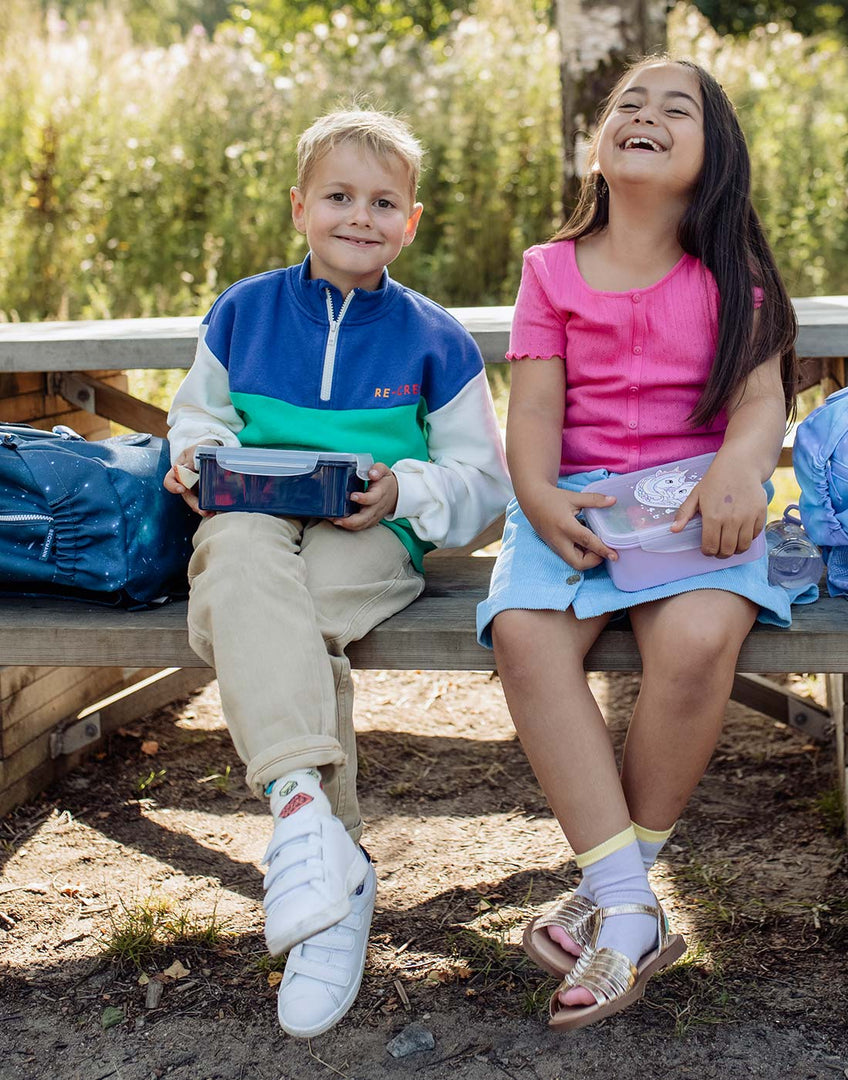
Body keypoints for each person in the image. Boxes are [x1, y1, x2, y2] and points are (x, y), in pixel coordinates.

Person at [476, 57, 812, 1031]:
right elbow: (533, 412)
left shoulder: (735, 278)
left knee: (700, 638)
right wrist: (538, 497)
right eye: (629, 102)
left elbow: (760, 404)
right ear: (599, 143)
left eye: (676, 109)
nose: (646, 114)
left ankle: (615, 893)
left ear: (715, 158)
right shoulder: (549, 270)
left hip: (697, 503)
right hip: (575, 505)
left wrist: (739, 470)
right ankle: (629, 906)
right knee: (523, 635)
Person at [164, 107, 511, 1038]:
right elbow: (198, 417)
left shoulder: (436, 338)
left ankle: (315, 855)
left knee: (286, 620)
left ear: (412, 221)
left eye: (383, 202)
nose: (360, 216)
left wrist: (403, 489)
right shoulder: (242, 311)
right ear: (299, 208)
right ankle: (318, 839)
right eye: (338, 197)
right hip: (252, 513)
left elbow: (483, 484)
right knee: (237, 557)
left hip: (369, 532)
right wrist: (196, 457)